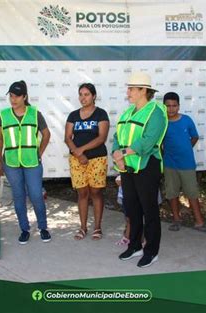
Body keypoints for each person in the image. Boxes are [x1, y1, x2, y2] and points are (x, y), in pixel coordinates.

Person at [112, 72, 167, 268]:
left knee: (149, 210)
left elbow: (148, 141)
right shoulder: (128, 112)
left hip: (147, 167)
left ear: (144, 91)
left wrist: (123, 153)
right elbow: (117, 136)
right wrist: (116, 156)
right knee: (132, 209)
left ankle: (151, 251)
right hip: (127, 167)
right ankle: (135, 245)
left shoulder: (156, 112)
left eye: (131, 89)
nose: (128, 92)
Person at [0, 80, 52, 244]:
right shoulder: (3, 115)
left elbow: (46, 134)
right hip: (11, 164)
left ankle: (43, 228)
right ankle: (24, 229)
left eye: (17, 96)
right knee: (18, 197)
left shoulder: (35, 113)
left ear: (24, 97)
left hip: (32, 163)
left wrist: (39, 153)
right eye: (11, 96)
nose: (13, 99)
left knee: (36, 196)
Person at [162, 92, 206, 232]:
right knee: (172, 193)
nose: (171, 109)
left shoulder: (187, 120)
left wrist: (185, 149)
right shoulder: (162, 122)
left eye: (174, 106)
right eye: (168, 106)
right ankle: (176, 219)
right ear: (163, 106)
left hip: (187, 164)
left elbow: (194, 137)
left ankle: (199, 221)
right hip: (169, 164)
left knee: (192, 193)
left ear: (179, 106)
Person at [64, 83, 110, 240]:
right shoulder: (73, 116)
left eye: (86, 94)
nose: (83, 98)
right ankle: (83, 227)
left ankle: (97, 227)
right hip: (77, 160)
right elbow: (67, 138)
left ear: (94, 96)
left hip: (97, 158)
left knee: (96, 192)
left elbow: (101, 138)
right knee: (82, 192)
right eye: (81, 94)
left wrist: (81, 150)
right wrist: (78, 154)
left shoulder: (101, 114)